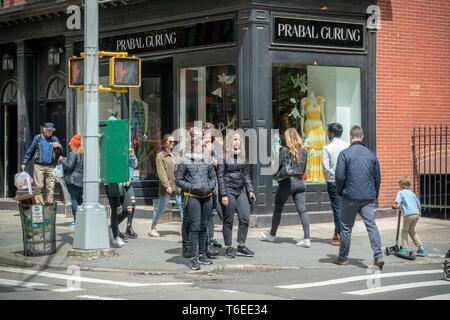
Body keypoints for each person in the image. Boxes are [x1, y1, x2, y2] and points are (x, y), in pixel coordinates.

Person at [333, 125, 384, 270]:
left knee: (346, 227)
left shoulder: (345, 153)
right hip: (367, 196)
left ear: (350, 136)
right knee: (371, 225)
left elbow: (339, 176)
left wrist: (340, 191)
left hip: (349, 196)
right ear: (362, 137)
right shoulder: (371, 154)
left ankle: (343, 258)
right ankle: (378, 255)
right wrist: (375, 194)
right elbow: (377, 177)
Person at [261, 128, 310, 247]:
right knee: (302, 211)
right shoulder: (304, 151)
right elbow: (303, 170)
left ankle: (272, 235)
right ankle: (307, 238)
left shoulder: (284, 150)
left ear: (287, 138)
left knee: (278, 209)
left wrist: (274, 175)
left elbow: (277, 167)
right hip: (299, 182)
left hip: (287, 182)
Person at [176, 126, 217, 270]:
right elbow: (178, 180)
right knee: (195, 226)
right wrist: (192, 187)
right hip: (192, 196)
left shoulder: (207, 160)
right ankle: (193, 257)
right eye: (201, 145)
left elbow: (213, 178)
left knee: (204, 226)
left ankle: (202, 254)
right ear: (194, 146)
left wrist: (211, 187)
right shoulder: (185, 160)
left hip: (207, 196)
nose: (204, 147)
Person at [218, 130, 256, 258]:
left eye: (239, 140)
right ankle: (229, 247)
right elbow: (220, 176)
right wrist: (223, 194)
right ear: (229, 142)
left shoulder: (241, 156)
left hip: (241, 190)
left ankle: (241, 245)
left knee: (245, 217)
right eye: (235, 140)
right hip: (228, 189)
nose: (238, 142)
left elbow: (246, 175)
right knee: (228, 220)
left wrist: (250, 190)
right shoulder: (223, 156)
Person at [149, 134, 184, 237]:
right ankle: (153, 228)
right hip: (167, 186)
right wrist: (166, 185)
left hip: (177, 185)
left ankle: (185, 229)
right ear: (165, 142)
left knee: (182, 206)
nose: (172, 143)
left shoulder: (176, 154)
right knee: (162, 208)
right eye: (170, 142)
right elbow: (161, 171)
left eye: (174, 142)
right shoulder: (160, 155)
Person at [322, 123, 350, 246]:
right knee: (343, 207)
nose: (327, 134)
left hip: (333, 181)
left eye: (328, 132)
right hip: (346, 180)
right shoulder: (348, 146)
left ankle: (339, 234)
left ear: (332, 133)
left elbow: (326, 167)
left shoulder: (327, 147)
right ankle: (338, 231)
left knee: (337, 208)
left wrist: (331, 178)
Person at [21, 122, 63, 203]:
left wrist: (59, 146)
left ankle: (49, 205)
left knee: (50, 187)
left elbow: (61, 152)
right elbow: (31, 150)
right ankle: (36, 204)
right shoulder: (38, 138)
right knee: (39, 186)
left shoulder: (55, 139)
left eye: (51, 130)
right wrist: (24, 162)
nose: (49, 132)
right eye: (48, 130)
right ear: (44, 129)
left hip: (50, 167)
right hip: (38, 167)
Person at [105, 147, 138, 247]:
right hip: (113, 184)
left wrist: (132, 155)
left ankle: (112, 227)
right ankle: (115, 236)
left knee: (129, 208)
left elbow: (133, 165)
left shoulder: (125, 150)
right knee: (117, 209)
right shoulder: (111, 151)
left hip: (124, 185)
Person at [394, 176, 426, 255]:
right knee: (411, 230)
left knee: (404, 230)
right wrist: (419, 214)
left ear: (401, 185)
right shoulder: (412, 193)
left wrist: (396, 206)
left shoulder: (400, 192)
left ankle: (404, 248)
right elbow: (419, 205)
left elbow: (397, 204)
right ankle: (420, 247)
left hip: (408, 214)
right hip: (416, 214)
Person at [59, 135, 83, 227]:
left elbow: (69, 166)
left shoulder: (73, 153)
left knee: (74, 199)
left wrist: (62, 160)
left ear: (74, 144)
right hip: (81, 179)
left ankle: (76, 220)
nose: (69, 144)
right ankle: (81, 219)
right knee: (80, 199)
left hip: (73, 180)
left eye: (71, 143)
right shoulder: (83, 152)